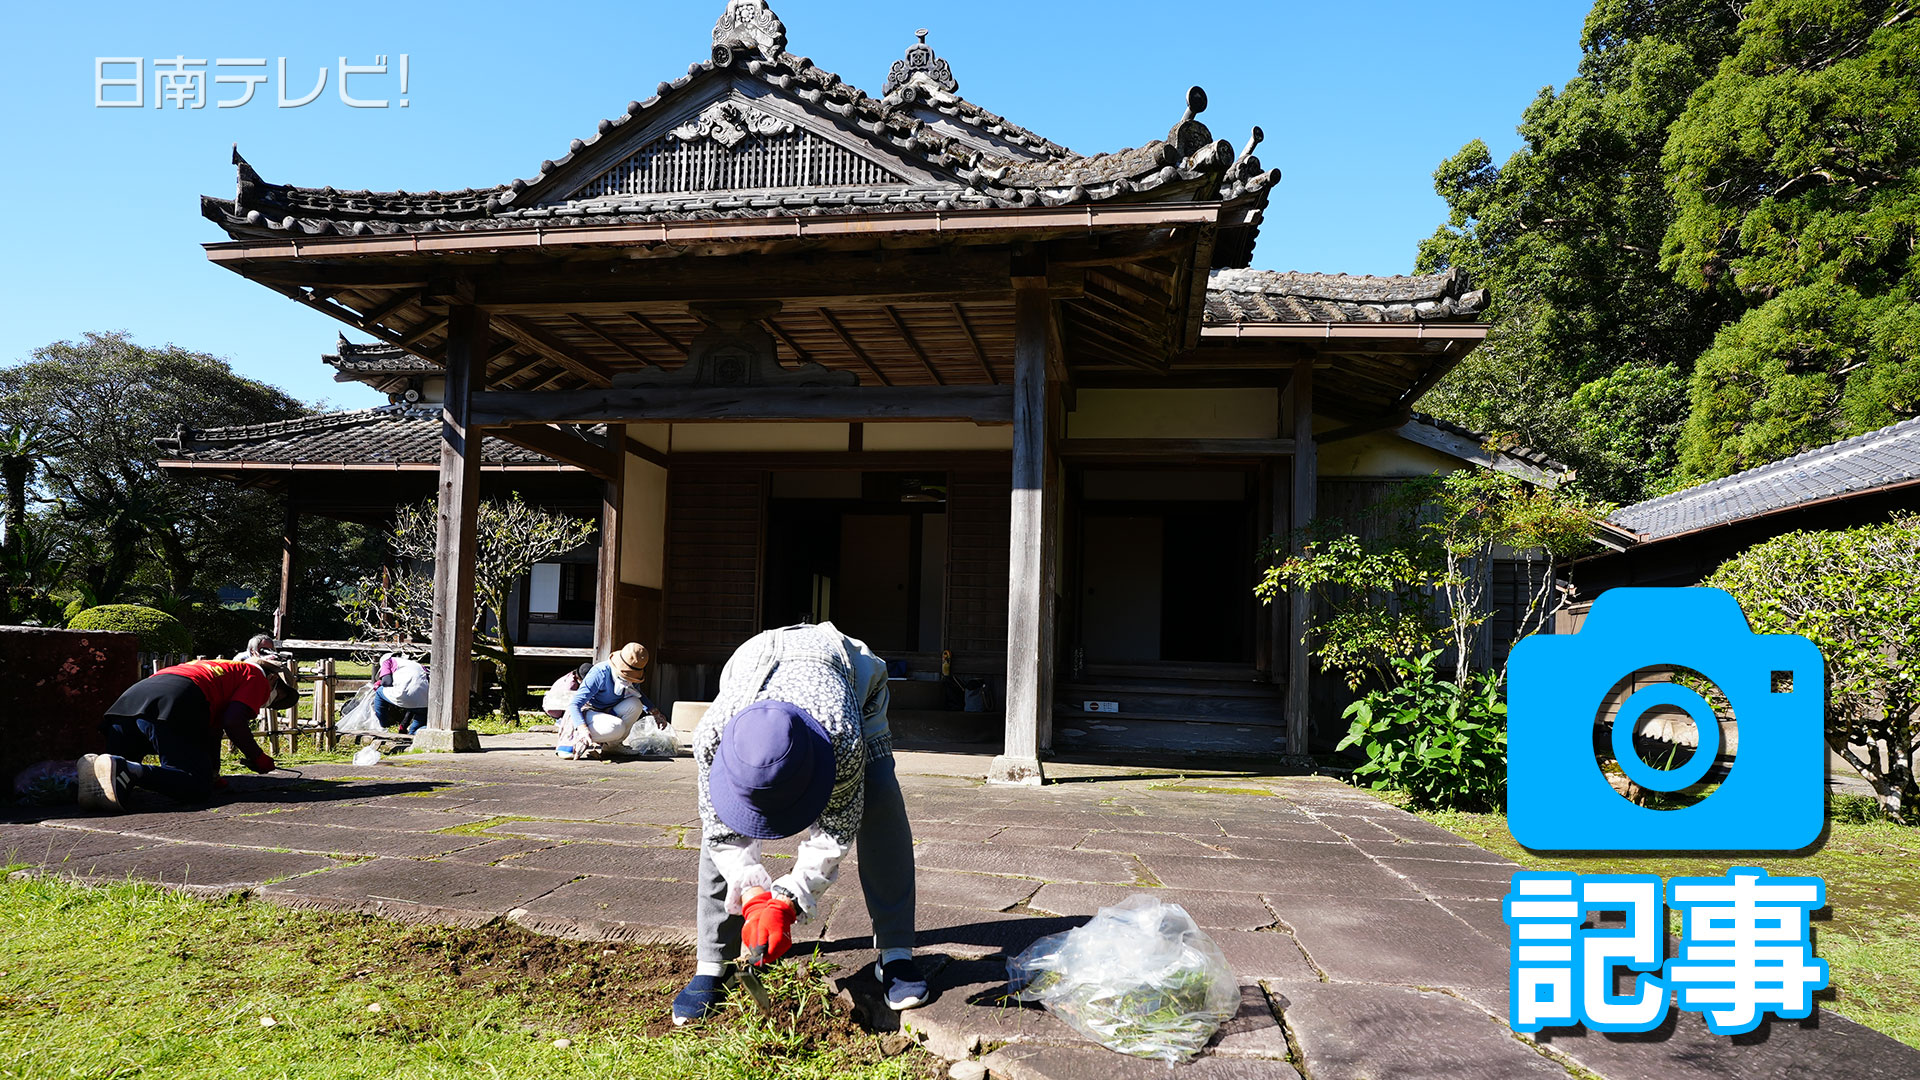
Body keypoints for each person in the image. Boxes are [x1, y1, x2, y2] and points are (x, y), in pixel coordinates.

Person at [672, 622, 926, 1025]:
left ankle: (896, 952)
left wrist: (787, 901)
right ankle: (712, 961)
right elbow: (721, 830)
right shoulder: (712, 738)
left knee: (880, 800)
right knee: (717, 828)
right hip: (752, 664)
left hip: (848, 676)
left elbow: (834, 834)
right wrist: (754, 896)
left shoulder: (843, 737)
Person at [78, 656, 299, 812]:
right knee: (196, 787)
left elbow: (214, 730)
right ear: (272, 680)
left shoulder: (216, 668)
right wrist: (257, 757)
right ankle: (131, 769)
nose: (268, 703)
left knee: (115, 780)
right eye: (277, 697)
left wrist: (213, 772)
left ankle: (102, 769)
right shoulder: (256, 676)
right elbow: (233, 722)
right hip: (174, 704)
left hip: (127, 706)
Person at [559, 642, 668, 759]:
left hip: (609, 712)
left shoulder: (633, 678)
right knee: (616, 727)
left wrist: (655, 712)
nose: (629, 680)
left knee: (635, 704)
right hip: (588, 712)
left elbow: (638, 695)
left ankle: (613, 746)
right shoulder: (599, 673)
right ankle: (574, 739)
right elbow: (575, 705)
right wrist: (582, 729)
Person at [371, 653, 430, 735]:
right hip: (425, 703)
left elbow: (387, 682)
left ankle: (382, 725)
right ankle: (424, 731)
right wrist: (403, 726)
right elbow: (413, 698)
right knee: (413, 732)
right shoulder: (417, 665)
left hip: (407, 696)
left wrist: (379, 683)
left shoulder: (388, 661)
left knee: (379, 691)